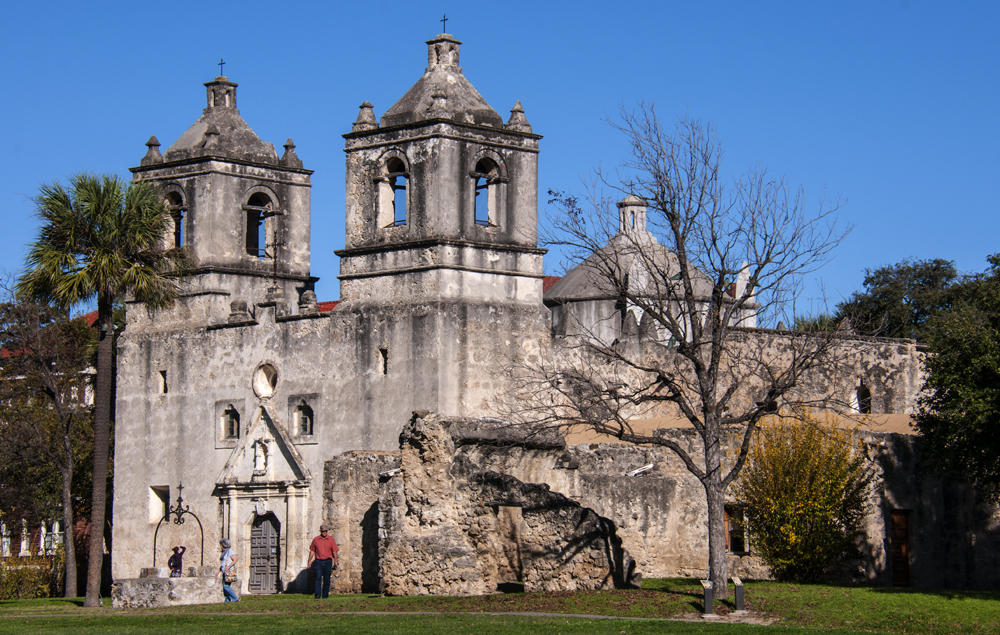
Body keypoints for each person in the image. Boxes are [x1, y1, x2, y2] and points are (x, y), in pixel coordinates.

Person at [307, 523, 339, 599]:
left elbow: (334, 551)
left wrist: (336, 561)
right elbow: (312, 550)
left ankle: (325, 595)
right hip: (318, 561)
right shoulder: (316, 540)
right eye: (323, 531)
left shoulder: (331, 540)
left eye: (326, 531)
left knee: (326, 578)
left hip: (328, 561)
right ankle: (317, 594)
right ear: (320, 531)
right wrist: (309, 561)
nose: (325, 533)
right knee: (318, 577)